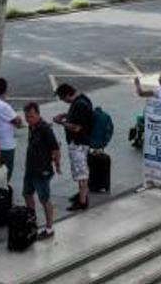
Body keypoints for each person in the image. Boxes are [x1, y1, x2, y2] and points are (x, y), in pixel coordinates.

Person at [23, 102, 61, 240]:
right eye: (26, 116)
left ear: (38, 114)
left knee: (44, 199)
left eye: (31, 116)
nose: (28, 119)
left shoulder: (45, 129)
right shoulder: (31, 127)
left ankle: (49, 227)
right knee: (27, 194)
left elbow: (55, 148)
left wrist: (57, 165)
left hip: (42, 171)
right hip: (30, 169)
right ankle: (32, 222)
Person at [52, 83, 93, 211]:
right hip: (81, 143)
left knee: (81, 173)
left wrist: (62, 122)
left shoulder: (79, 105)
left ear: (67, 95)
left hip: (78, 143)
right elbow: (77, 116)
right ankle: (82, 193)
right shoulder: (81, 99)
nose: (62, 100)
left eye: (62, 98)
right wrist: (65, 115)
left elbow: (77, 128)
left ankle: (82, 201)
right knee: (80, 171)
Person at [0, 77, 23, 181]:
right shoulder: (4, 106)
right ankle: (3, 194)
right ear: (6, 90)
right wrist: (19, 119)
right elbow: (18, 122)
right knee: (6, 174)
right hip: (6, 145)